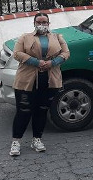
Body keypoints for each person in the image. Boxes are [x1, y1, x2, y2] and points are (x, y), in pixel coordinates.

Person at [9, 13, 70, 156]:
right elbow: (17, 53)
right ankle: (16, 141)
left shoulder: (57, 37)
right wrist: (36, 62)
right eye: (39, 21)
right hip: (27, 81)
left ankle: (37, 139)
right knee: (23, 111)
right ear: (34, 23)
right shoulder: (25, 37)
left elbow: (66, 53)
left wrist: (52, 63)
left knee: (41, 110)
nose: (42, 24)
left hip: (49, 80)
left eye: (44, 21)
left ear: (49, 23)